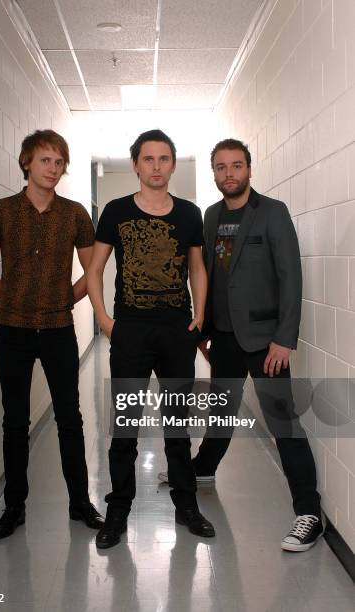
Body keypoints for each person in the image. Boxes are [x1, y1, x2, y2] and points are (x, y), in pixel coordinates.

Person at [158, 138, 323, 552]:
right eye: (221, 167)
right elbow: (210, 276)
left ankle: (309, 513)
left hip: (267, 343)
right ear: (213, 173)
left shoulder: (272, 213)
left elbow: (291, 277)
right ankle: (203, 468)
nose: (229, 174)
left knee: (283, 422)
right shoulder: (211, 216)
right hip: (225, 339)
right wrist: (205, 331)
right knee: (222, 412)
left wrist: (285, 339)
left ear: (249, 168)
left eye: (236, 166)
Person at [87, 129, 215, 549]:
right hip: (130, 331)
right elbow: (95, 269)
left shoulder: (189, 213)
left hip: (176, 331)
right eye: (148, 159)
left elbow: (197, 267)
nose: (156, 166)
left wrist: (198, 315)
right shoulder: (116, 211)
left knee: (177, 425)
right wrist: (105, 319)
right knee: (125, 426)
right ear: (136, 164)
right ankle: (118, 509)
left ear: (173, 165)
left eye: (164, 159)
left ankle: (187, 505)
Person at [0, 129, 104, 539]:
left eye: (59, 162)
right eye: (45, 160)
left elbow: (93, 271)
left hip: (58, 331)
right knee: (15, 422)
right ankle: (15, 508)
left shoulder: (74, 214)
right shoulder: (0, 211)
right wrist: (15, 299)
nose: (52, 168)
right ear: (27, 162)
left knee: (70, 418)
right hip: (11, 331)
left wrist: (63, 299)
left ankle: (81, 504)